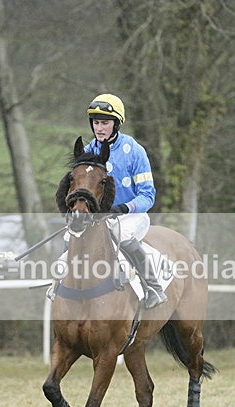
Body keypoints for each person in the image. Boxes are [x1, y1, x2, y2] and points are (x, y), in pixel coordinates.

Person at [85, 93, 167, 309]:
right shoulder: (89, 151)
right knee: (71, 235)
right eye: (96, 122)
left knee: (121, 234)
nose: (99, 128)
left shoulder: (135, 152)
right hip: (100, 217)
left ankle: (153, 287)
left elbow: (148, 196)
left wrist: (123, 207)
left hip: (132, 216)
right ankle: (60, 284)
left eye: (105, 123)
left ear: (117, 124)